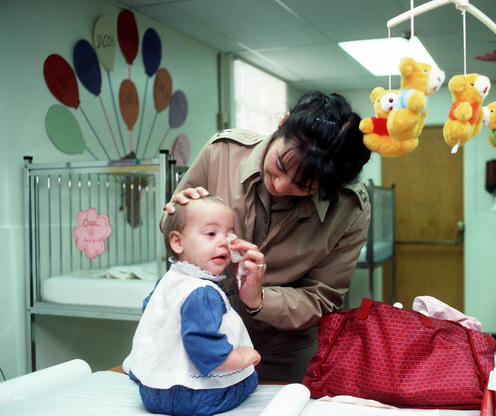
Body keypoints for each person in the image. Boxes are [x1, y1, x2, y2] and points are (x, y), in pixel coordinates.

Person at [164, 91, 372, 382]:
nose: (280, 184)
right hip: (197, 336)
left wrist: (260, 299)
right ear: (282, 124)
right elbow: (170, 230)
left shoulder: (349, 209)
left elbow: (321, 297)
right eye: (280, 167)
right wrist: (179, 214)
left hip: (281, 352)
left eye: (303, 186)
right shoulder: (222, 153)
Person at [126, 195, 264, 416]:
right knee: (249, 378)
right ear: (177, 242)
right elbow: (205, 348)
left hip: (152, 387)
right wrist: (241, 358)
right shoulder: (203, 293)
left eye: (228, 235)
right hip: (192, 395)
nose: (223, 243)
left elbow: (150, 314)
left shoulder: (169, 280)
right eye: (211, 233)